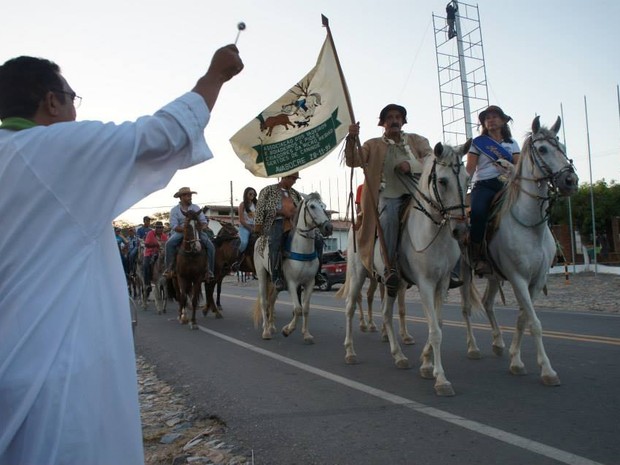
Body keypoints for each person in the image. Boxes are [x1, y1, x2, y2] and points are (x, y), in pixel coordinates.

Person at [0, 44, 243, 465]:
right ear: (52, 101)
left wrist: (199, 223)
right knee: (166, 248)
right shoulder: (53, 148)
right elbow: (160, 135)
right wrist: (215, 76)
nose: (75, 109)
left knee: (208, 244)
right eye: (72, 97)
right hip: (57, 377)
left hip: (13, 363)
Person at [345, 104, 432, 294]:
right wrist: (352, 138)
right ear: (383, 123)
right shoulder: (371, 144)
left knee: (444, 213)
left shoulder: (417, 140)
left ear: (403, 121)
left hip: (417, 194)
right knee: (389, 218)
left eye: (398, 117)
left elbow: (432, 158)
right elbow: (353, 160)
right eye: (390, 117)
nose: (395, 120)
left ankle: (452, 266)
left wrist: (411, 165)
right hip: (388, 195)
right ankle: (389, 267)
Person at [466, 105, 520, 275]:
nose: (490, 120)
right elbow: (470, 169)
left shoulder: (512, 144)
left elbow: (518, 166)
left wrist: (509, 167)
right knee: (478, 214)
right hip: (484, 185)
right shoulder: (478, 143)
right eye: (487, 118)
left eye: (494, 116)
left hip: (508, 185)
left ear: (503, 120)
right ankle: (477, 256)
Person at [255, 172, 324, 292]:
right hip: (275, 223)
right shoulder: (268, 190)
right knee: (275, 242)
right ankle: (276, 276)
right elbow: (261, 208)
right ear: (285, 177)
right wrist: (280, 212)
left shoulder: (295, 193)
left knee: (318, 239)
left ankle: (317, 273)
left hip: (294, 225)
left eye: (295, 179)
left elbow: (300, 210)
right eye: (292, 179)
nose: (294, 182)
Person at [164, 186, 215, 281]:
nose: (190, 197)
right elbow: (174, 226)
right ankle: (169, 269)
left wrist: (201, 227)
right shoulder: (174, 210)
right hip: (181, 231)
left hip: (196, 230)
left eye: (190, 195)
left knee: (210, 246)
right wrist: (186, 229)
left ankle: (210, 271)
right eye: (187, 195)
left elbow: (204, 221)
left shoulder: (196, 207)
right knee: (169, 244)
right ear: (181, 197)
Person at [232, 186, 257, 271]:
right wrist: (250, 228)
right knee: (244, 242)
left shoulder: (256, 205)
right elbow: (241, 220)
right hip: (245, 227)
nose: (252, 195)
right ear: (246, 194)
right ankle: (237, 261)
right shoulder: (242, 205)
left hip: (255, 227)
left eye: (254, 194)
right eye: (250, 193)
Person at [143, 220, 168, 294]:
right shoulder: (150, 234)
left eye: (161, 228)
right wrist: (156, 245)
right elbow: (146, 245)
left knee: (170, 262)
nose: (160, 229)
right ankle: (147, 283)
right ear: (155, 228)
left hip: (161, 253)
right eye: (158, 228)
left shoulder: (164, 236)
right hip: (150, 253)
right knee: (146, 265)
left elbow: (166, 244)